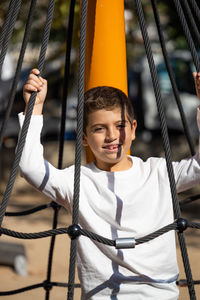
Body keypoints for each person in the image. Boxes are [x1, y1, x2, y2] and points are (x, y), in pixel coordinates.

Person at [19, 68, 200, 300]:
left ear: (133, 129)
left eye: (119, 125)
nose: (112, 136)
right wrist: (34, 108)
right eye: (99, 128)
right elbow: (29, 167)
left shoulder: (158, 173)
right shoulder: (77, 181)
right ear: (83, 137)